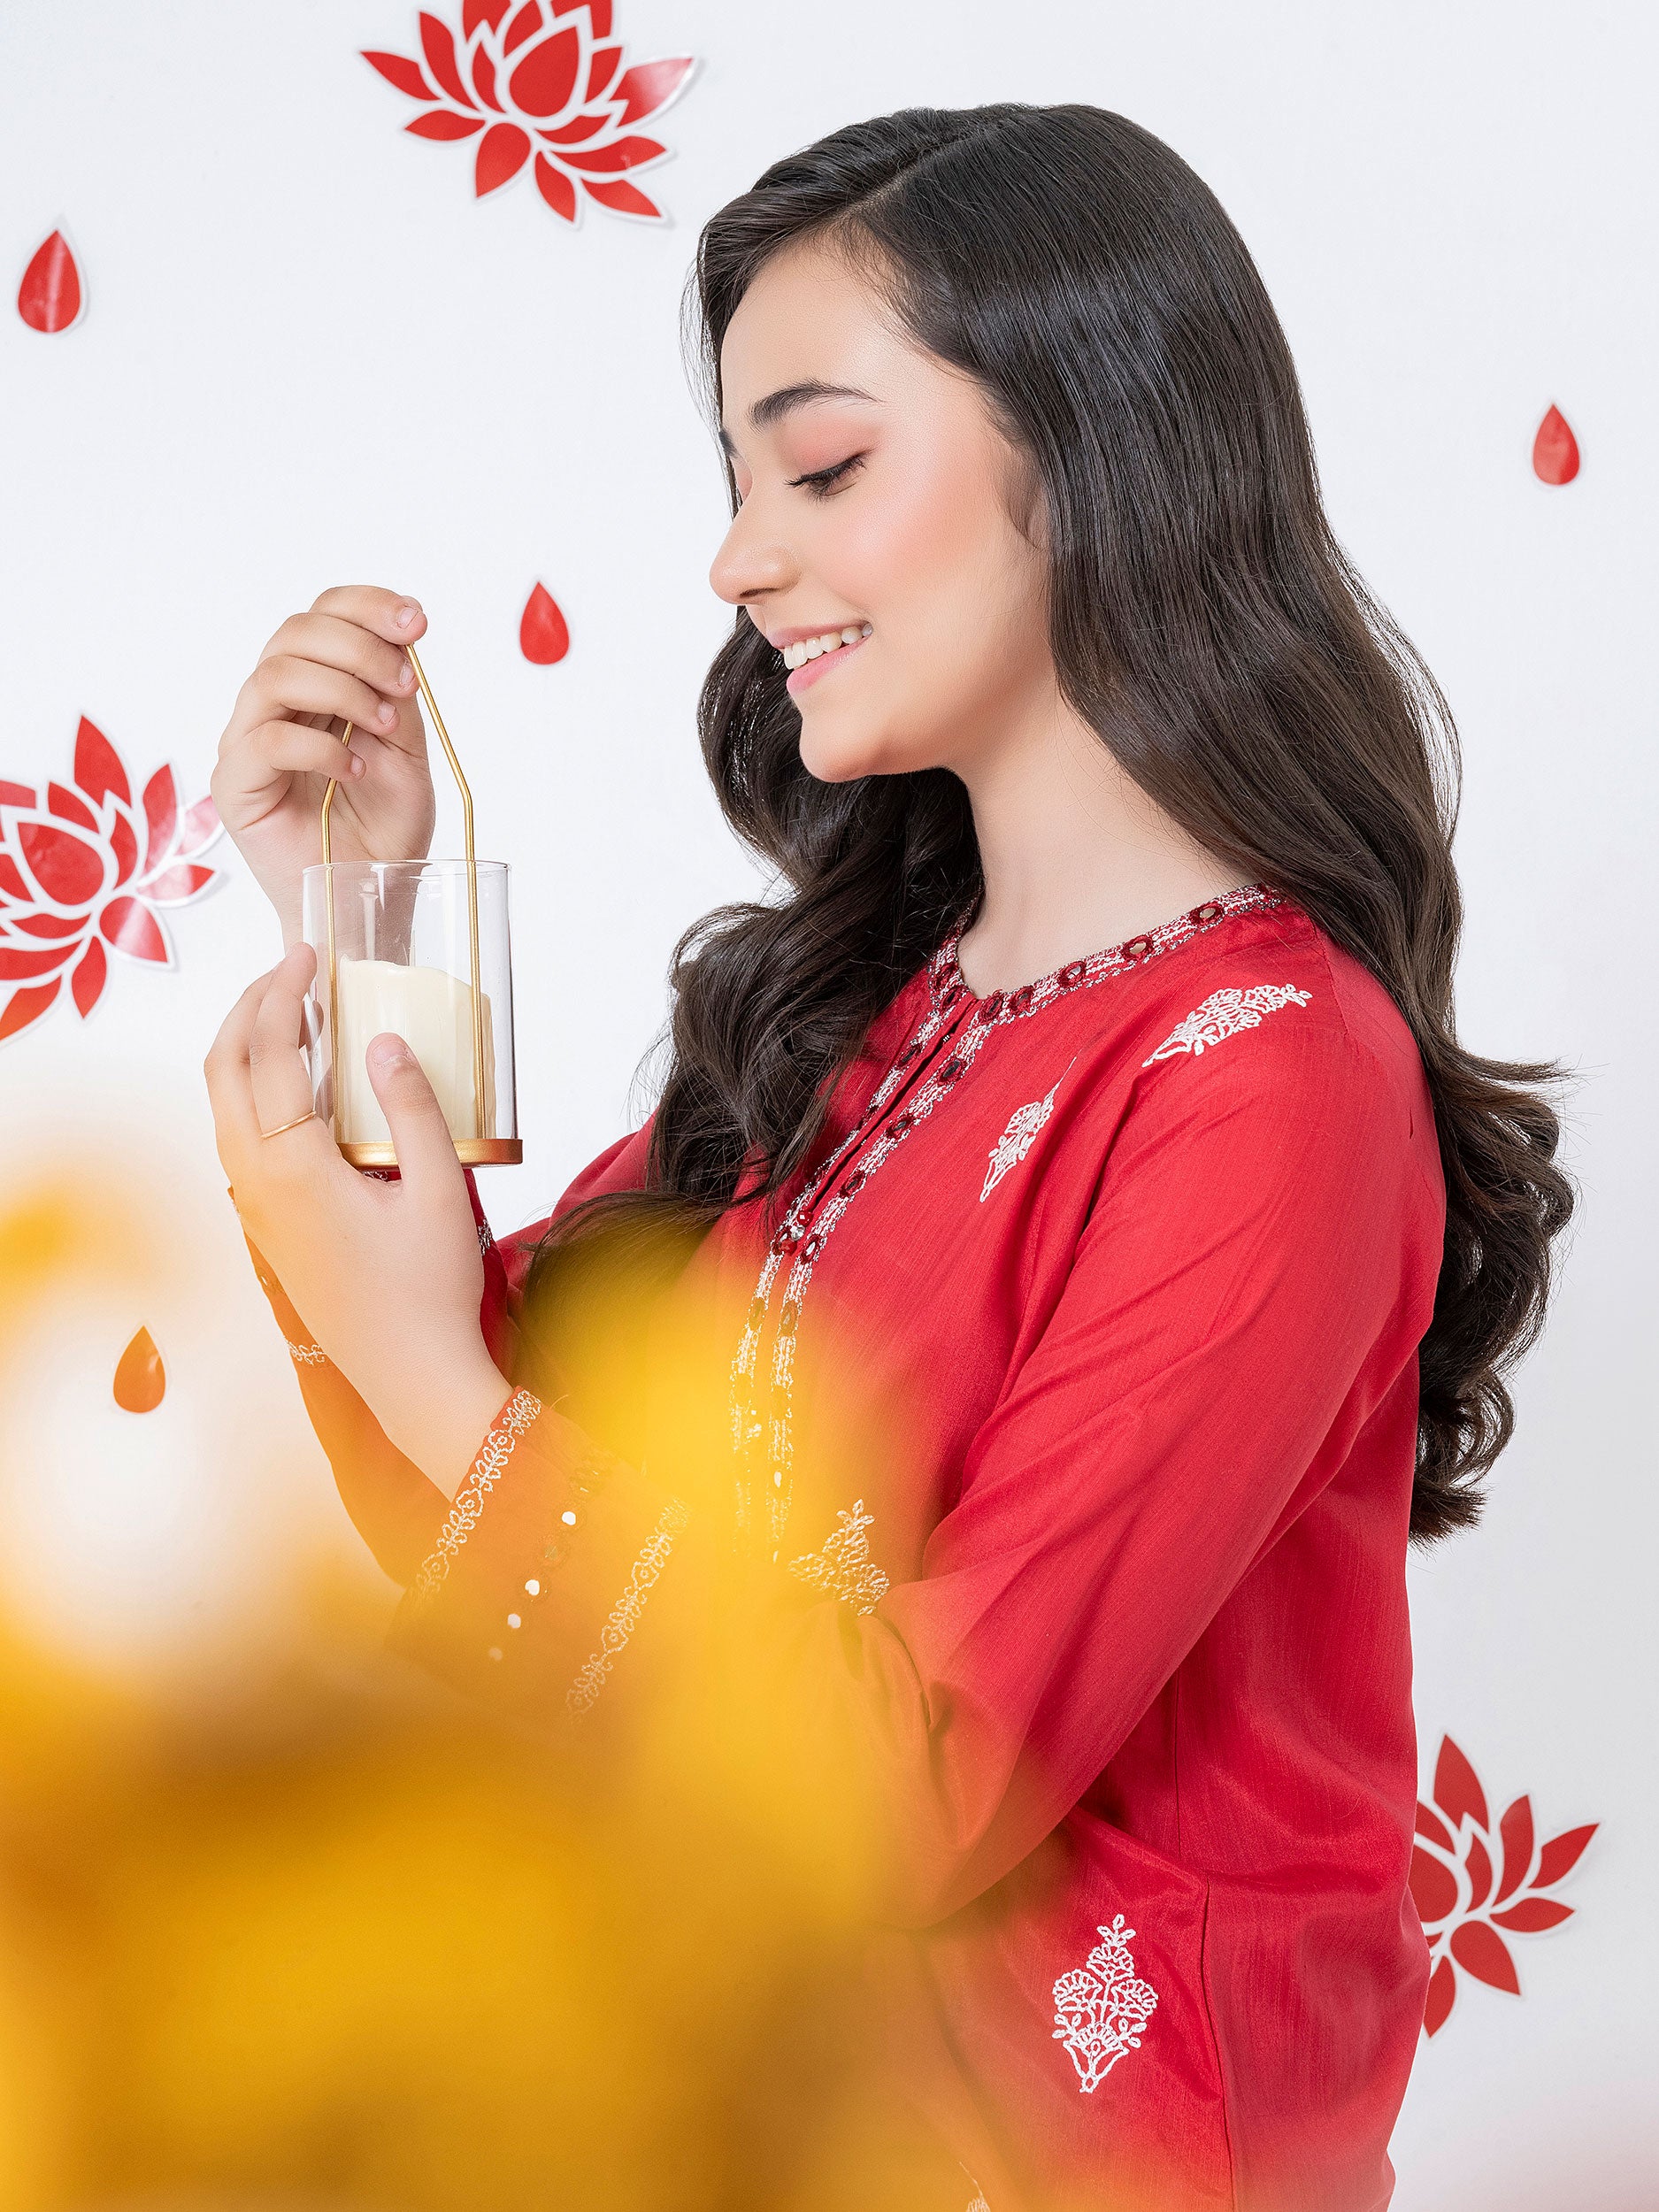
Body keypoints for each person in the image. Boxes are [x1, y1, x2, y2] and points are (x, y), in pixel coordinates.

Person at [204, 104, 1572, 2212]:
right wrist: (366, 922)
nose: (738, 559)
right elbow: (511, 1533)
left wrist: (426, 1372)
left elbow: (899, 1777)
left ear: (1100, 450)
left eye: (823, 467)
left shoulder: (1273, 1073)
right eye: (738, 484)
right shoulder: (876, 1010)